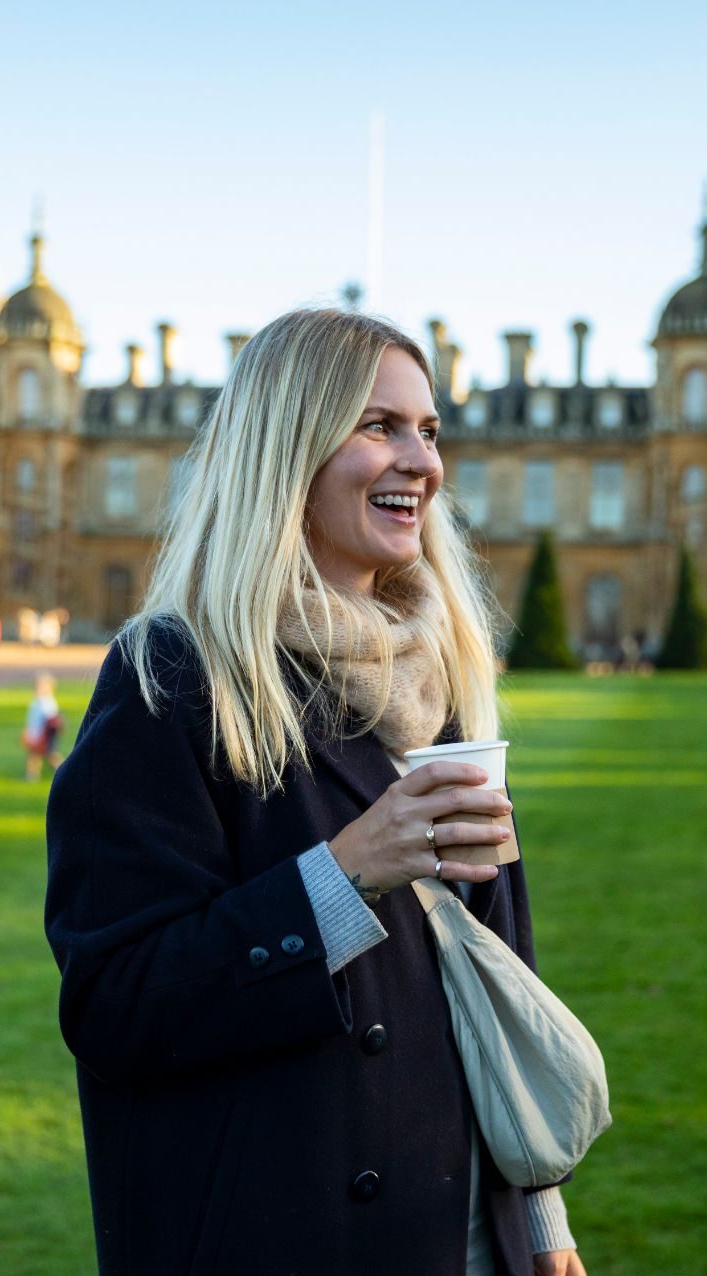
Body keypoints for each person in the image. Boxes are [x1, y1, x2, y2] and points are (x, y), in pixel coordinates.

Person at [45, 309, 586, 1276]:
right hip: (273, 1231)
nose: (420, 459)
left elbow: (498, 977)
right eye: (378, 425)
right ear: (286, 448)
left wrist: (540, 1222)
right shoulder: (175, 676)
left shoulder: (442, 679)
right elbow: (115, 1005)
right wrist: (344, 874)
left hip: (457, 1234)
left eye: (429, 430)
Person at [24, 671, 67, 781]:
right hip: (36, 732)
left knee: (51, 754)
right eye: (37, 687)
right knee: (34, 755)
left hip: (45, 734)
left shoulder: (48, 702)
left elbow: (52, 720)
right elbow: (32, 719)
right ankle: (32, 775)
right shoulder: (36, 702)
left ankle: (63, 770)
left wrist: (47, 733)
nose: (39, 690)